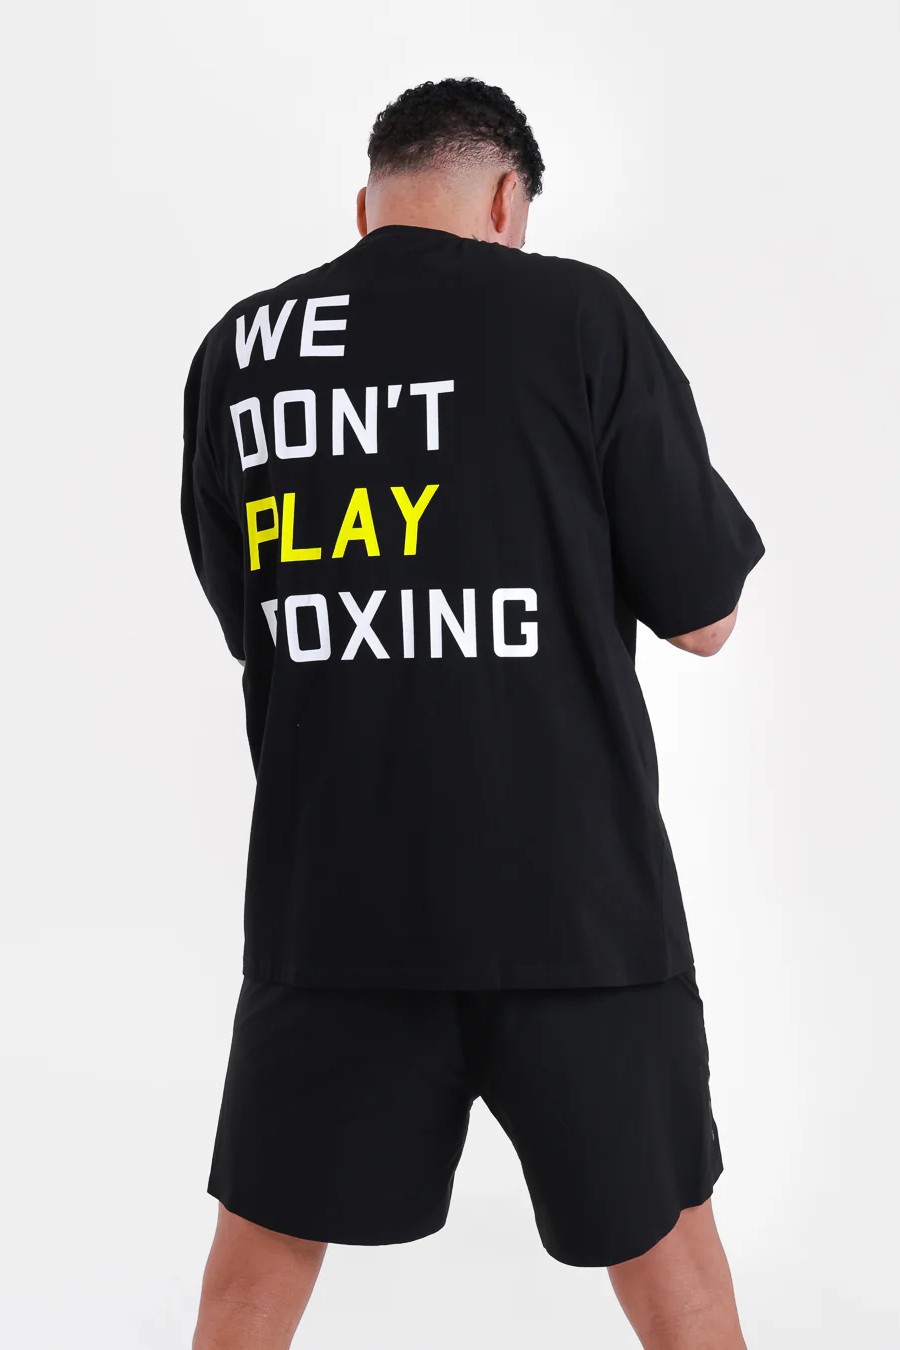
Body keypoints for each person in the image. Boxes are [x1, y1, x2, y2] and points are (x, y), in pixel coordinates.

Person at [181, 76, 764, 1349]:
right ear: (508, 201)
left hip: (334, 910)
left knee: (255, 1271)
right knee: (674, 1263)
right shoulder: (577, 316)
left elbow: (263, 622)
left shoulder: (242, 352)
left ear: (366, 206)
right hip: (573, 915)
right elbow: (704, 616)